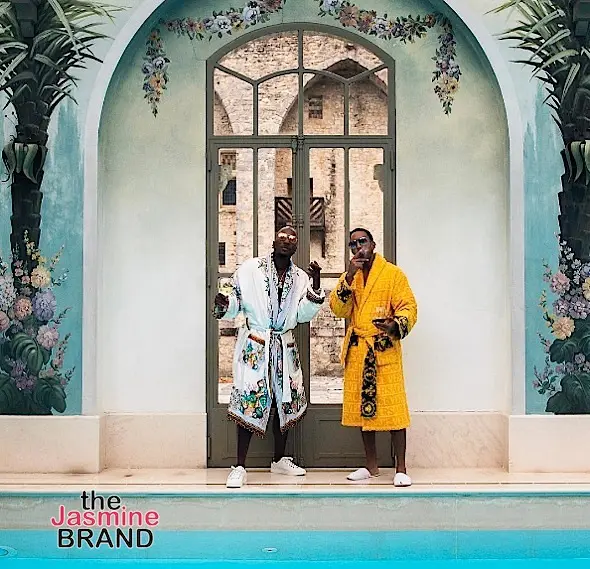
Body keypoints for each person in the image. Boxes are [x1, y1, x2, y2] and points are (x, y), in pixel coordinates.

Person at [213, 226, 324, 488]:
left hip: (284, 345)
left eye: (292, 238)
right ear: (273, 242)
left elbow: (302, 315)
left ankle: (279, 460)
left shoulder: (300, 278)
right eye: (282, 237)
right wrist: (225, 303)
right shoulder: (250, 269)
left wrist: (316, 285)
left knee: (283, 401)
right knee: (249, 400)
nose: (287, 241)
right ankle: (239, 466)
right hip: (256, 345)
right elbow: (235, 301)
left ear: (296, 246)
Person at [329, 228, 417, 487]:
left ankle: (401, 468)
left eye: (362, 241)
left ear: (373, 244)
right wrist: (348, 276)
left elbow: (409, 306)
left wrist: (395, 324)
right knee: (362, 409)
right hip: (359, 349)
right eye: (353, 244)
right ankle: (371, 466)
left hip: (383, 347)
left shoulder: (392, 274)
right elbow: (339, 309)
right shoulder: (351, 277)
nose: (358, 247)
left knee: (394, 409)